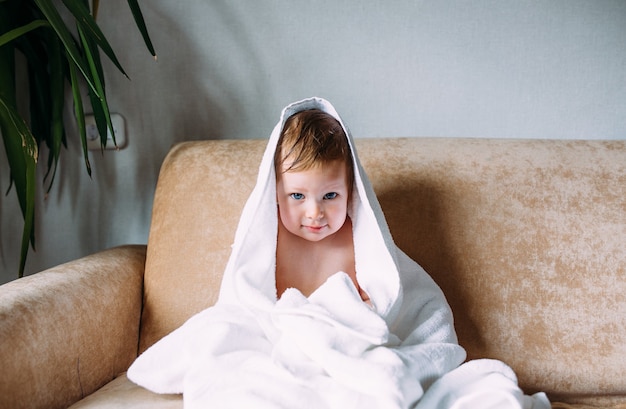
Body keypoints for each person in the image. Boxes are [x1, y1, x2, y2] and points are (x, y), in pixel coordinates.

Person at [128, 97, 550, 409]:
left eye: (330, 194)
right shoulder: (266, 245)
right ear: (274, 193)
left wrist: (363, 315)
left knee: (466, 390)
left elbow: (413, 310)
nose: (314, 213)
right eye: (297, 195)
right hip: (286, 356)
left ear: (352, 193)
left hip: (356, 356)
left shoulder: (364, 244)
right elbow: (243, 314)